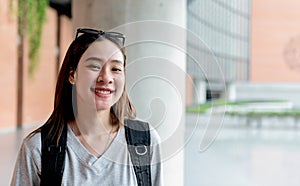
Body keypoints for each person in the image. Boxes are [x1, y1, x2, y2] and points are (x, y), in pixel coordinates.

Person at [11, 28, 162, 185]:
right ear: (72, 75)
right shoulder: (38, 148)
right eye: (95, 66)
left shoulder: (145, 141)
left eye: (116, 69)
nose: (106, 77)